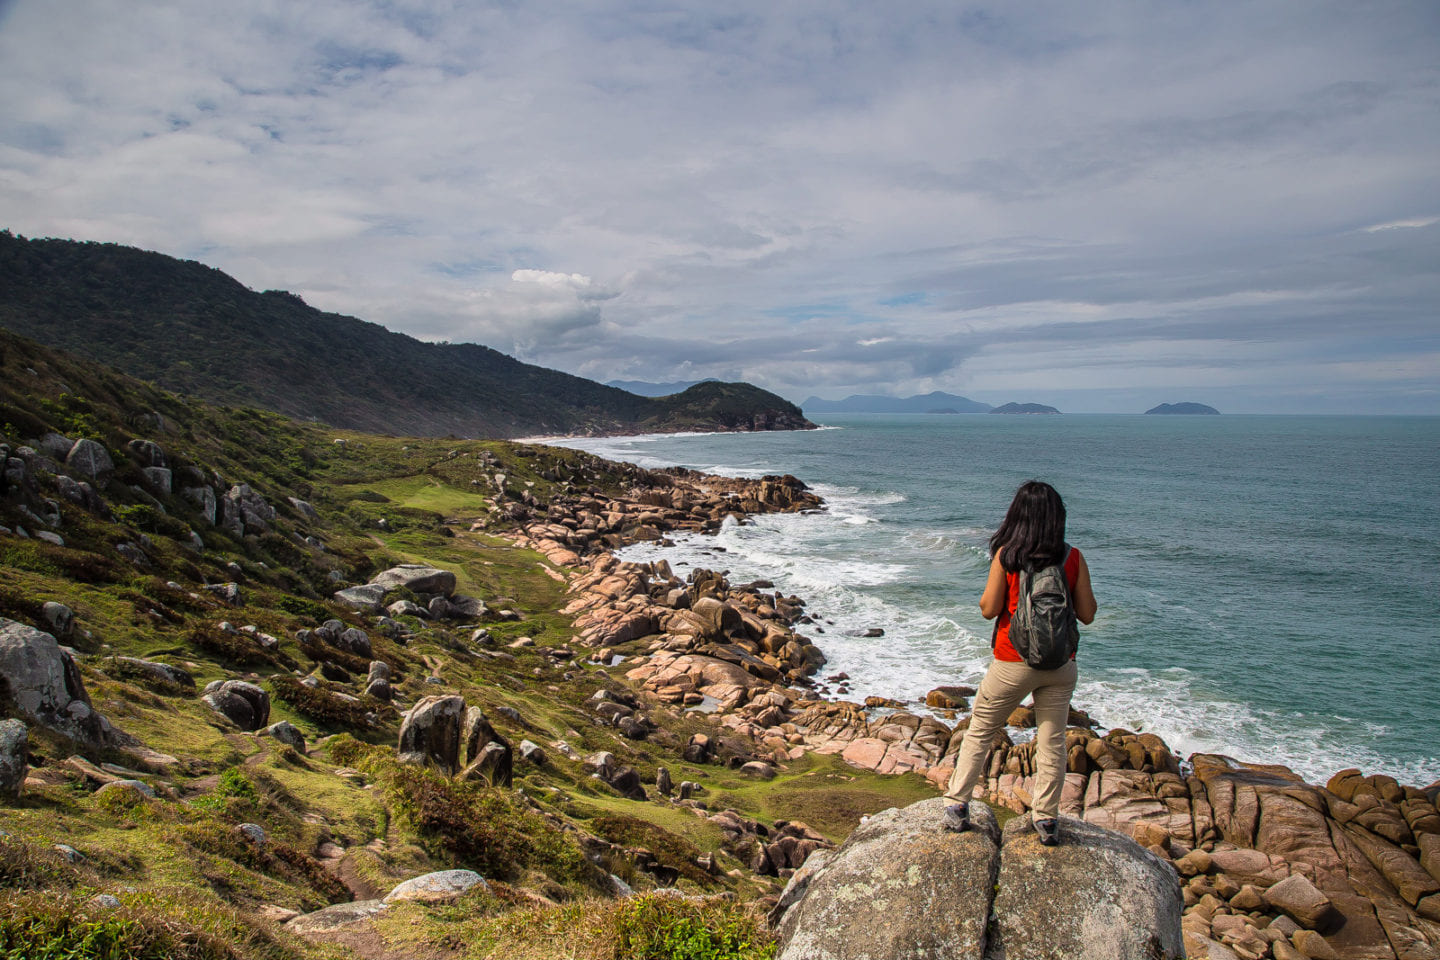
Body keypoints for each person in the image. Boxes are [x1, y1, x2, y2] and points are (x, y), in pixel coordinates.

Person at [942, 480, 1097, 845]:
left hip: (1013, 661)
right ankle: (1046, 818)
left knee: (980, 728)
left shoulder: (1008, 556)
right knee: (1052, 741)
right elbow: (1088, 614)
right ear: (1057, 517)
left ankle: (957, 804)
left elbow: (988, 609)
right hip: (1060, 665)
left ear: (1018, 516)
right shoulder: (1072, 557)